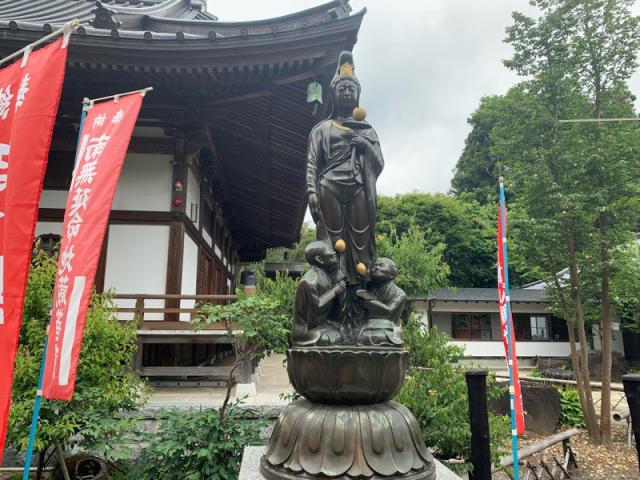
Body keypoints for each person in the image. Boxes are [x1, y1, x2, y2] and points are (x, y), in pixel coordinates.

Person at [306, 51, 384, 286]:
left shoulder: (366, 130)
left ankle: (362, 286)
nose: (347, 92)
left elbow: (379, 162)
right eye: (343, 89)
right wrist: (311, 190)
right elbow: (312, 161)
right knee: (333, 240)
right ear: (334, 94)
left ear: (358, 95)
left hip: (359, 186)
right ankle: (332, 285)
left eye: (352, 89)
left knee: (361, 239)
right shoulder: (322, 129)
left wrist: (366, 147)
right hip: (328, 187)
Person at [292, 241, 346, 347]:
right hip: (306, 329)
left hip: (323, 325)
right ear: (319, 259)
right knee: (328, 339)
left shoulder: (326, 276)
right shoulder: (309, 282)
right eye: (330, 255)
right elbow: (315, 308)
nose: (334, 256)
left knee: (341, 333)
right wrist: (334, 291)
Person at [357, 257, 405, 346]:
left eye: (381, 265)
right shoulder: (368, 287)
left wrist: (371, 301)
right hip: (367, 326)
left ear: (392, 274)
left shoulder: (399, 294)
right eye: (374, 266)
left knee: (380, 337)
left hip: (388, 328)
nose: (376, 268)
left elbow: (389, 311)